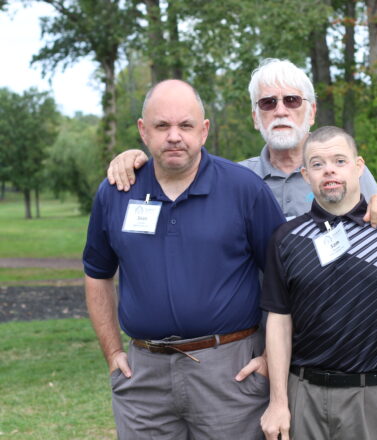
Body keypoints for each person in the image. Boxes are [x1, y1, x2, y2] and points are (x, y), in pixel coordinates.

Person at [83, 79, 286, 439]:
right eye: (162, 126)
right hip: (143, 377)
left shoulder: (244, 189)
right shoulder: (116, 192)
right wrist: (113, 352)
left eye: (185, 125)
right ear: (143, 132)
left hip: (230, 372)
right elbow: (97, 273)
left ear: (204, 131)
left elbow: (285, 277)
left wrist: (272, 358)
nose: (174, 136)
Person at [260, 126, 377, 440]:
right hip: (304, 395)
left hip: (376, 397)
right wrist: (278, 402)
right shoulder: (286, 240)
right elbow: (279, 321)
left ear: (358, 166)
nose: (329, 170)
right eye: (317, 164)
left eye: (339, 161)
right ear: (305, 175)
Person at [106, 59, 377, 227]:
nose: (280, 110)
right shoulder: (236, 178)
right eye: (267, 103)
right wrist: (135, 157)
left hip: (334, 326)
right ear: (255, 117)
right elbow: (179, 171)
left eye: (291, 100)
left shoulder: (347, 170)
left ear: (311, 111)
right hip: (263, 330)